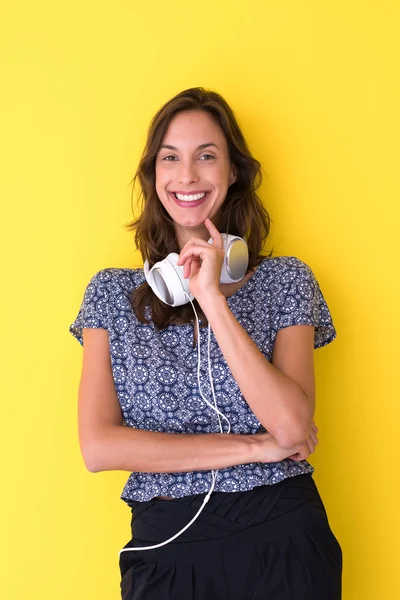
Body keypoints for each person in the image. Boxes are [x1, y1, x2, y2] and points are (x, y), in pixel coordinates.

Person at [69, 87, 342, 599]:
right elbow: (99, 446)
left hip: (281, 534)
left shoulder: (286, 281)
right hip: (166, 546)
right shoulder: (108, 294)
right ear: (154, 176)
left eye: (206, 156)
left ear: (233, 171)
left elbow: (291, 424)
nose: (187, 175)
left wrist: (212, 299)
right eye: (170, 158)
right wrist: (254, 448)